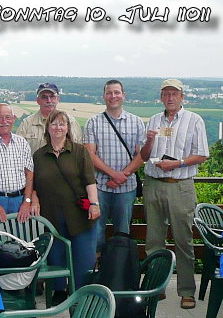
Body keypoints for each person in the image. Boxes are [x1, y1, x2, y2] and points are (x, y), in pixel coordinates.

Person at [140, 79, 209, 310]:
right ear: (161, 97)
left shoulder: (194, 120)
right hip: (153, 183)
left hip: (180, 186)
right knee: (154, 241)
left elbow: (201, 155)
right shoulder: (154, 120)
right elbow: (144, 155)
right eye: (166, 94)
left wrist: (177, 164)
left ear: (182, 97)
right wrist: (149, 140)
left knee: (183, 240)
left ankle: (186, 291)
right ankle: (156, 287)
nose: (170, 98)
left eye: (174, 94)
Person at [32, 110, 100, 304]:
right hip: (51, 214)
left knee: (83, 257)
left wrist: (94, 204)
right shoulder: (39, 155)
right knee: (56, 254)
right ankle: (59, 290)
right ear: (48, 128)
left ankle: (81, 295)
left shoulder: (79, 151)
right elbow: (33, 184)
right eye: (54, 124)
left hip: (79, 213)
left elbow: (89, 180)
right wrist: (34, 199)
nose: (58, 127)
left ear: (68, 128)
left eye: (62, 124)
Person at [83, 80, 146, 252]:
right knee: (96, 232)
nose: (113, 96)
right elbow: (89, 154)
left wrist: (121, 176)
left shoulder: (137, 122)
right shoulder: (93, 122)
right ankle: (96, 271)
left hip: (127, 187)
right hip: (99, 187)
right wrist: (114, 174)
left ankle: (119, 271)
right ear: (104, 96)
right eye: (109, 93)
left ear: (123, 95)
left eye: (117, 92)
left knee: (123, 233)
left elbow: (142, 155)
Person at [17, 83, 83, 154]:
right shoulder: (27, 124)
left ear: (58, 99)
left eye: (52, 96)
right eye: (44, 97)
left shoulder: (71, 122)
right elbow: (17, 150)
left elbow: (80, 150)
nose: (49, 100)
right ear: (38, 100)